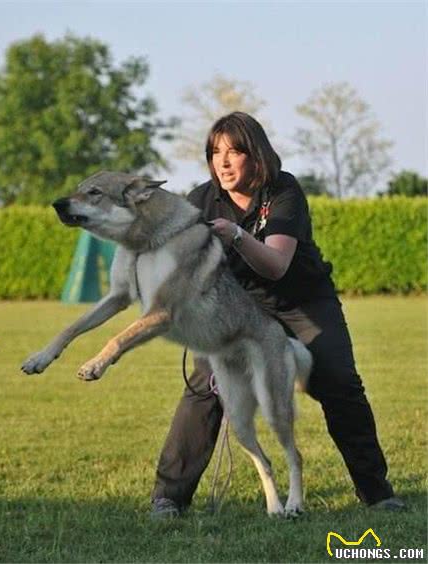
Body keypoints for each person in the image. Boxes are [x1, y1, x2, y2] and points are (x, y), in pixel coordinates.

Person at [150, 111, 404, 518]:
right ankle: (169, 497)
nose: (224, 161)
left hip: (301, 301)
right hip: (238, 308)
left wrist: (235, 234)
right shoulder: (201, 199)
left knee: (339, 381)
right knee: (206, 383)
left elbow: (276, 266)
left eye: (235, 151)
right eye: (215, 152)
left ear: (258, 155)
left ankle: (376, 491)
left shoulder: (283, 192)